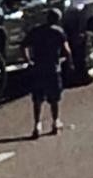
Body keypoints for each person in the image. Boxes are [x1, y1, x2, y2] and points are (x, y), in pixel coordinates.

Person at [26, 8, 72, 137]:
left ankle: (37, 124)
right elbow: (67, 50)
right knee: (54, 98)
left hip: (38, 68)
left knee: (37, 99)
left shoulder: (36, 31)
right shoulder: (58, 32)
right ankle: (55, 122)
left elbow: (24, 45)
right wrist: (70, 62)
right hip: (53, 68)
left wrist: (28, 60)